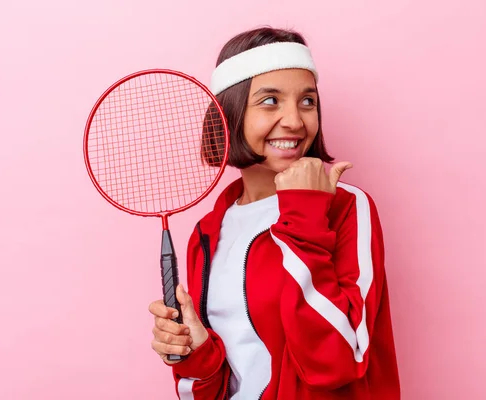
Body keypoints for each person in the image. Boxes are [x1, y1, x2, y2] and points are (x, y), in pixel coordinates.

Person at [148, 26, 400, 399]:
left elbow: (336, 361)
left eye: (307, 101)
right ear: (230, 113)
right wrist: (198, 354)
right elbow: (216, 387)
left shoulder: (345, 207)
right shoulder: (207, 233)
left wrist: (305, 213)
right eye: (270, 101)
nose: (296, 121)